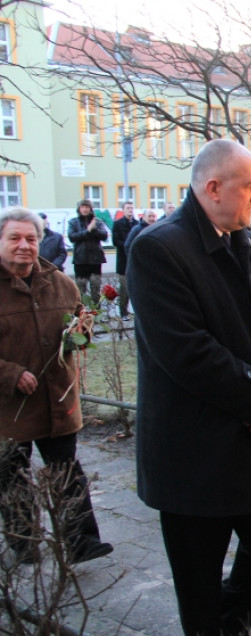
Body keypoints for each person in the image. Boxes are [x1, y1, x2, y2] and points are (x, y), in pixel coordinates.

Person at [127, 139, 251, 636]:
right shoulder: (157, 249)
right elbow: (184, 349)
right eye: (250, 185)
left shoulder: (247, 242)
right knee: (198, 575)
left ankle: (225, 633)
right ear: (213, 187)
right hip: (194, 448)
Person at [0, 206, 113, 567]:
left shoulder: (59, 282)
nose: (24, 246)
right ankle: (24, 544)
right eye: (14, 238)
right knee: (12, 476)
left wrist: (82, 332)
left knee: (67, 471)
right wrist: (9, 373)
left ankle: (82, 541)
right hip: (9, 405)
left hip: (57, 397)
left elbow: (83, 321)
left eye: (31, 239)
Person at [67, 198, 108, 305]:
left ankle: (96, 311)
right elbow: (72, 237)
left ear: (90, 209)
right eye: (82, 207)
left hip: (95, 259)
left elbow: (104, 235)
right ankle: (81, 313)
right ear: (79, 209)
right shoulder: (73, 222)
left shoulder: (97, 222)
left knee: (96, 287)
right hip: (80, 259)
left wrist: (93, 229)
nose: (85, 209)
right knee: (80, 288)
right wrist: (87, 231)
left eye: (87, 207)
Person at [112, 202, 139, 320]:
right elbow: (115, 241)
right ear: (123, 210)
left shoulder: (137, 224)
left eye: (132, 208)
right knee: (124, 288)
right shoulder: (117, 224)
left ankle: (136, 312)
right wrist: (128, 246)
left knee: (136, 287)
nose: (130, 210)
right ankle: (123, 312)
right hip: (123, 260)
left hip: (135, 260)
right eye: (128, 208)